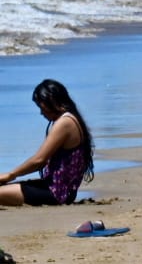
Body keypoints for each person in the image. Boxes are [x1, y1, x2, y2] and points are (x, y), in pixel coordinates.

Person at [0, 80, 95, 208]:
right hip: (58, 190)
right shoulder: (71, 118)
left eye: (41, 107)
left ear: (52, 101)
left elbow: (39, 160)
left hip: (55, 193)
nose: (41, 112)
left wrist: (11, 175)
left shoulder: (65, 122)